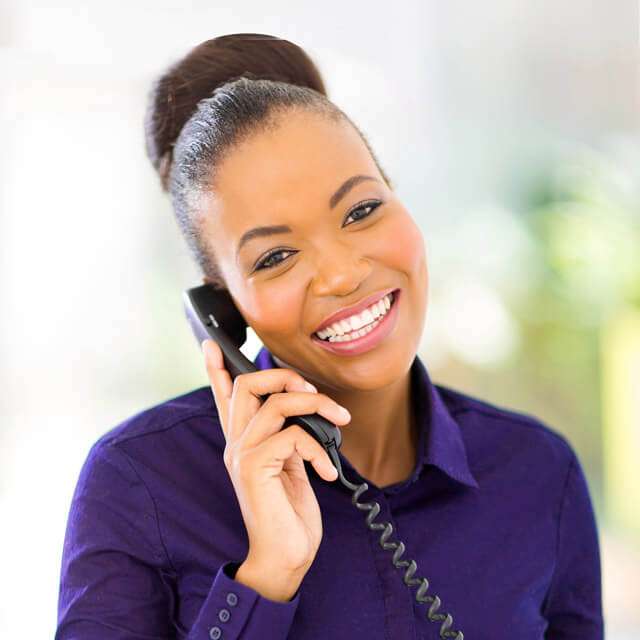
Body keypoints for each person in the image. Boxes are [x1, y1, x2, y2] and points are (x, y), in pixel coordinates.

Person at [55, 33, 604, 639]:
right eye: (276, 256)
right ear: (221, 304)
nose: (342, 273)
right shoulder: (138, 483)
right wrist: (265, 578)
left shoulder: (537, 473)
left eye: (361, 211)